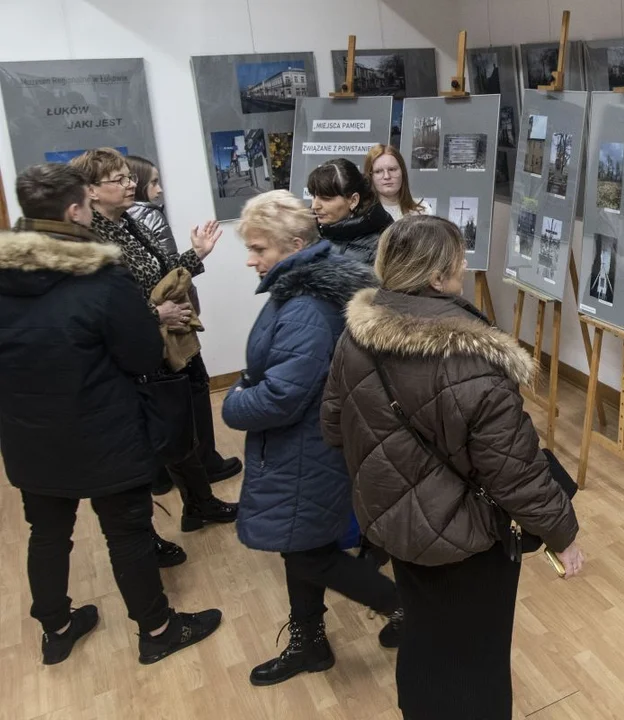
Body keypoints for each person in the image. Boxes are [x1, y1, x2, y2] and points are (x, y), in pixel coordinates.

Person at [321, 215, 584, 720]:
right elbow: (516, 472)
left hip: (396, 525)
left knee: (425, 636)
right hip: (468, 542)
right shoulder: (474, 359)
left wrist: (398, 479)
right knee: (477, 657)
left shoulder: (354, 337)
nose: (465, 264)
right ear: (438, 276)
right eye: (458, 257)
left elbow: (335, 427)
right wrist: (563, 534)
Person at [0, 163, 222, 666]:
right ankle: (158, 630)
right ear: (76, 210)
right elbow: (143, 354)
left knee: (48, 531)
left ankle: (56, 630)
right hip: (104, 430)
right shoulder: (101, 276)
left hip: (28, 433)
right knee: (126, 531)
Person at [222, 191, 403, 687]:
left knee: (308, 551)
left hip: (306, 450)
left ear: (296, 244)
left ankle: (403, 610)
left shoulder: (303, 307)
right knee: (299, 545)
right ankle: (310, 642)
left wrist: (234, 399)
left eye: (259, 248)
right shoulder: (299, 290)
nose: (251, 259)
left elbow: (281, 396)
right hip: (300, 447)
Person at [70, 148, 237, 533]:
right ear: (91, 191)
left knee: (180, 429)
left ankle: (199, 504)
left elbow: (158, 276)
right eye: (120, 179)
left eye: (130, 177)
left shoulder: (130, 221)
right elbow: (103, 309)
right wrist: (155, 315)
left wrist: (195, 255)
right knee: (154, 440)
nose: (131, 184)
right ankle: (148, 533)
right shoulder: (92, 239)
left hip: (169, 346)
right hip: (142, 353)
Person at [124, 154, 241, 488]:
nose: (159, 191)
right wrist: (172, 311)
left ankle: (170, 477)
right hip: (168, 323)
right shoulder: (147, 217)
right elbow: (169, 277)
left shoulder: (118, 224)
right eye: (154, 183)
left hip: (149, 329)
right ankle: (205, 466)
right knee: (189, 393)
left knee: (160, 401)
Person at [307, 158, 393, 264]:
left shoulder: (383, 246)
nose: (315, 206)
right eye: (313, 196)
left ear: (353, 200)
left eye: (326, 198)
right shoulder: (305, 233)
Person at [364, 144, 432, 221]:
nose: (387, 176)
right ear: (370, 176)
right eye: (378, 171)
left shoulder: (422, 211)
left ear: (402, 172)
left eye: (392, 169)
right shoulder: (361, 215)